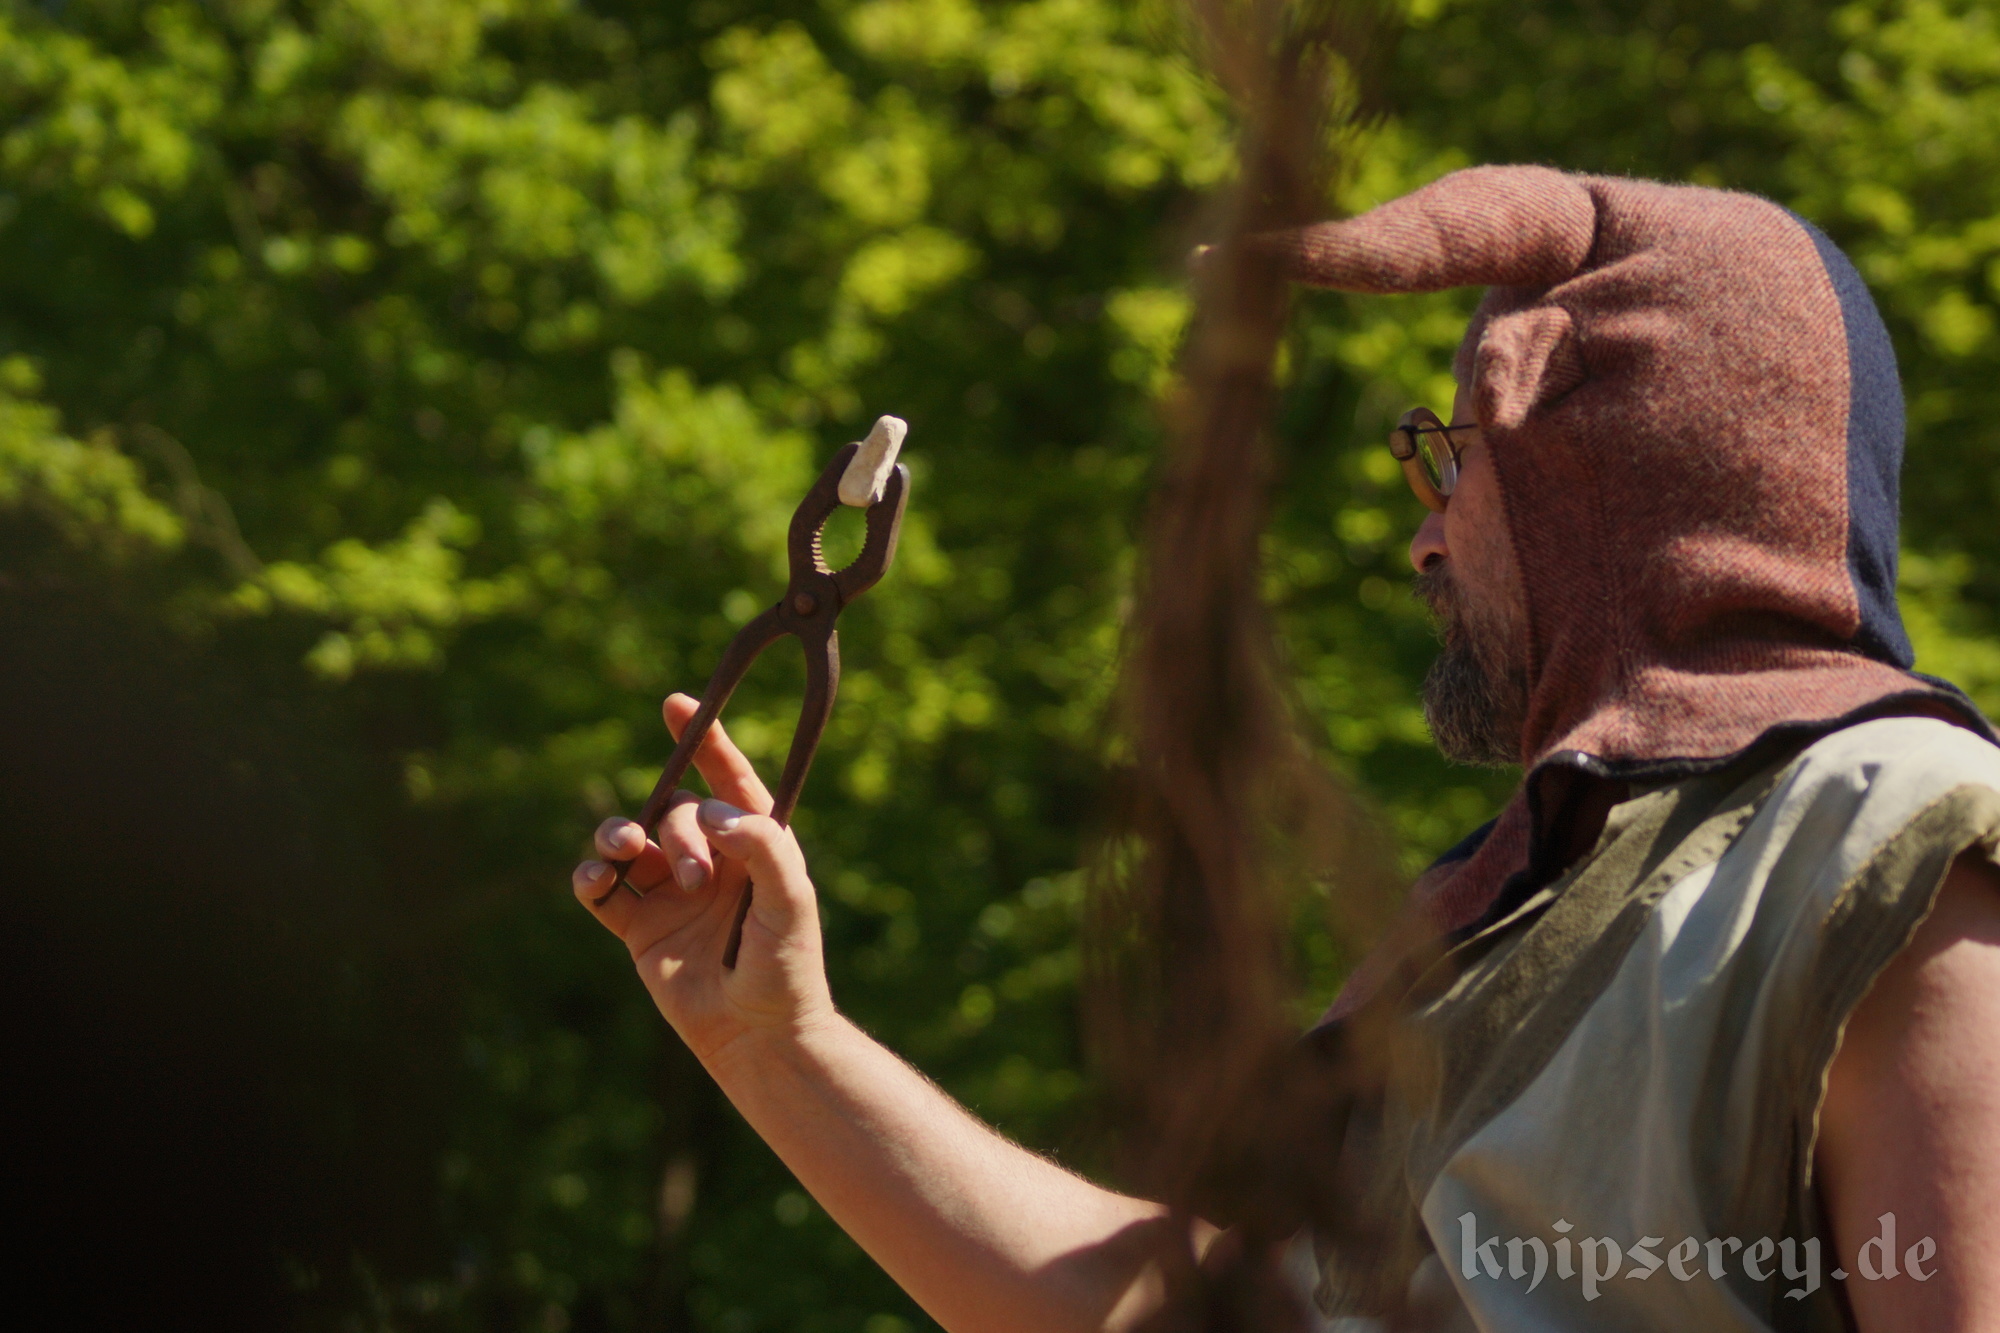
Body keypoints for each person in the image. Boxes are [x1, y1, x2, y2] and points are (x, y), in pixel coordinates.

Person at [571, 166, 2000, 1332]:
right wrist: (780, 1044)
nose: (1422, 537)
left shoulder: (1891, 835)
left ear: (1603, 463)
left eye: (1455, 458)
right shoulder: (1504, 926)